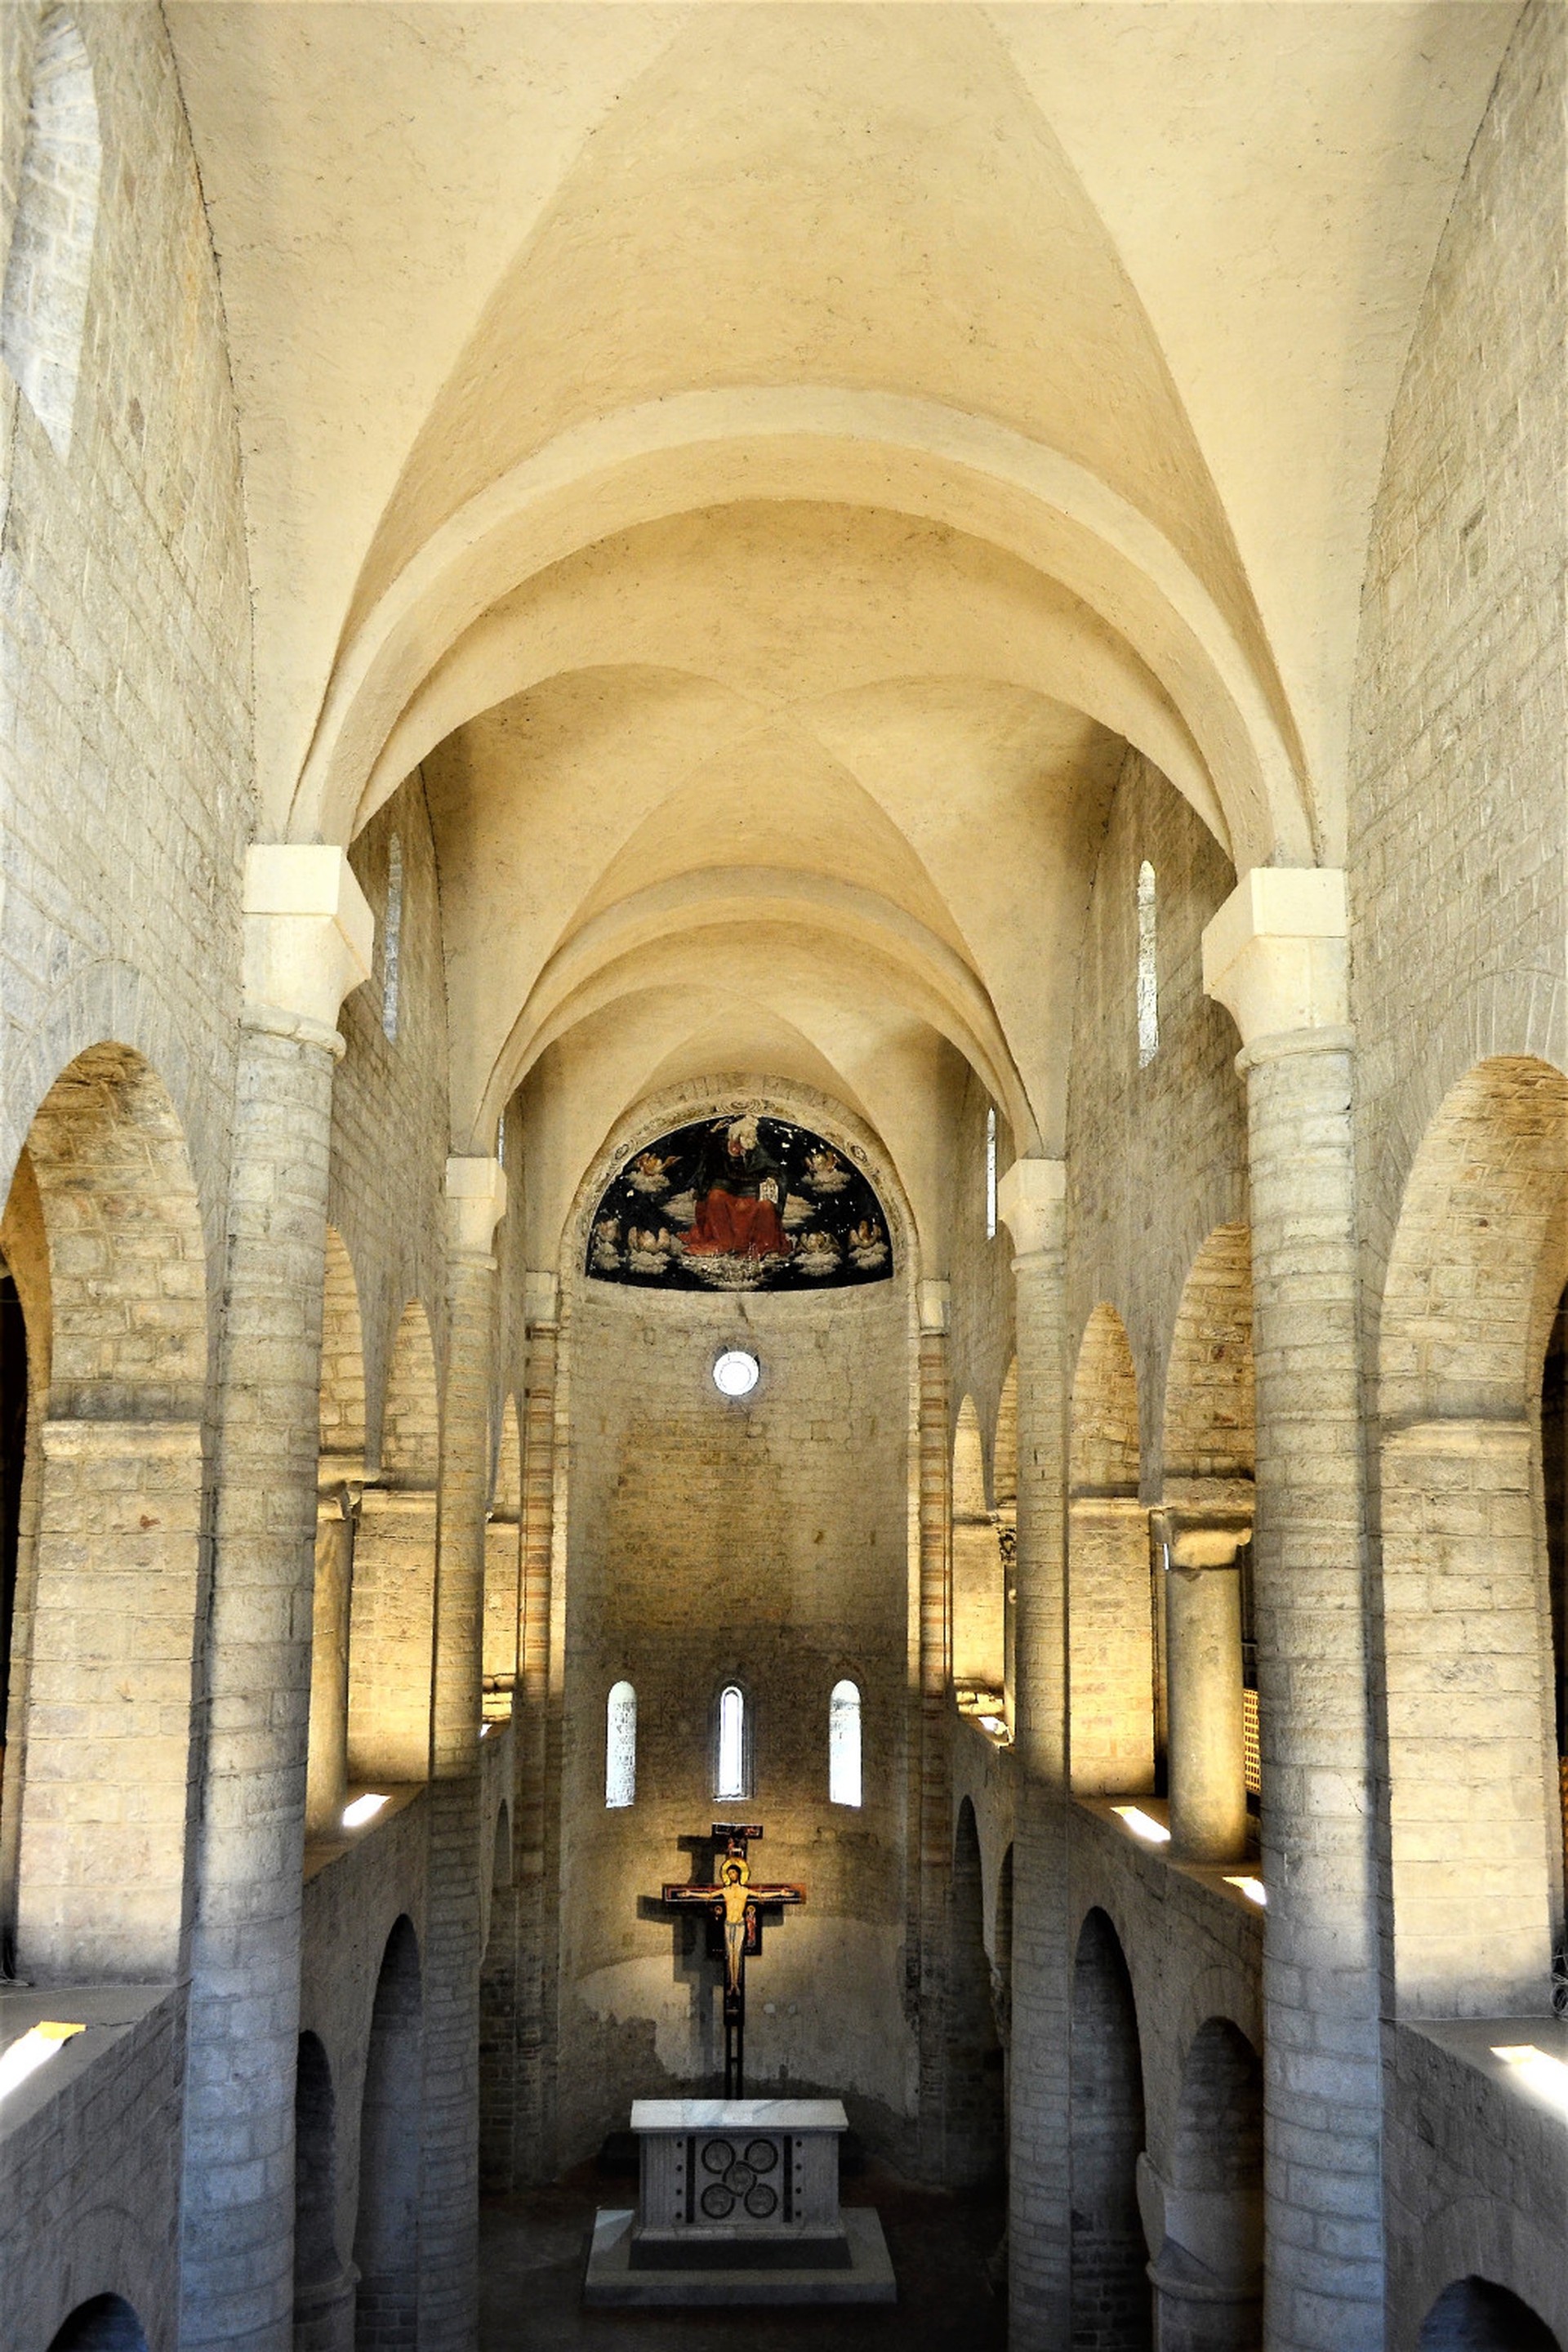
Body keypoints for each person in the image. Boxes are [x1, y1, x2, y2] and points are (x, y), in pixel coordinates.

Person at [680, 1116, 794, 1262]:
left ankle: (765, 1246)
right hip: (726, 1188)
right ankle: (723, 1243)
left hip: (750, 1190)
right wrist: (713, 1131)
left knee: (766, 1205)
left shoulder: (754, 1148)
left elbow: (771, 1168)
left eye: (748, 1138)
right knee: (715, 1197)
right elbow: (702, 1149)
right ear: (735, 1135)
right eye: (742, 1137)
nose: (745, 1142)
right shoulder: (720, 1146)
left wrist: (771, 1178)